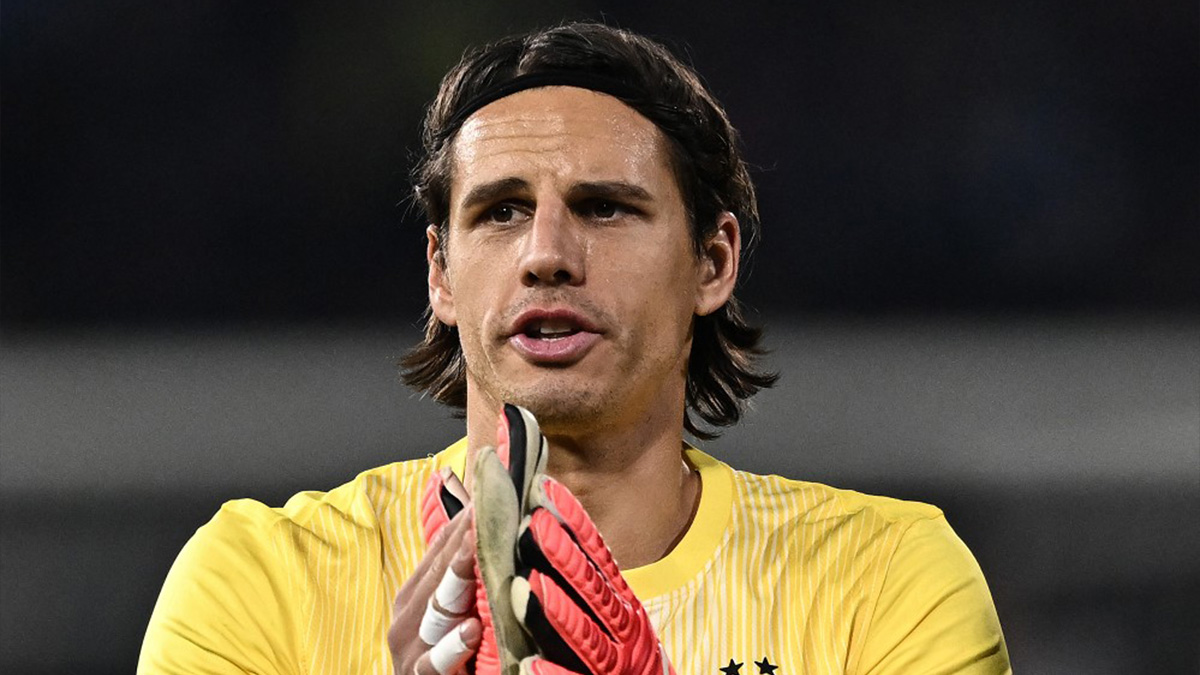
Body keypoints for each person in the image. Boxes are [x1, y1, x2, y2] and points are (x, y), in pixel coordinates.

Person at [139, 22, 1010, 675]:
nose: (547, 253)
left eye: (604, 207)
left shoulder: (886, 583)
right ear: (441, 273)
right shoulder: (260, 583)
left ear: (713, 262)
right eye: (501, 211)